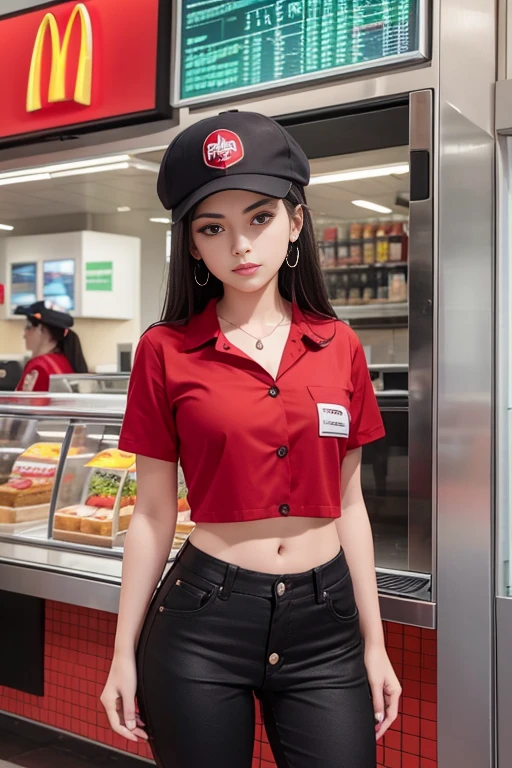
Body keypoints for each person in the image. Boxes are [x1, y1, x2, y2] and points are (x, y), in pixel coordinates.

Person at [100, 111, 401, 768]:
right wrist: (122, 654)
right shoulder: (165, 350)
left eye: (259, 218)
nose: (240, 245)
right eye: (214, 228)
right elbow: (152, 513)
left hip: (328, 625)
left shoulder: (339, 345)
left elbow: (351, 505)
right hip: (203, 622)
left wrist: (375, 646)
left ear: (296, 222)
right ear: (194, 246)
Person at [15, 301, 88, 391]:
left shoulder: (39, 367)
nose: (24, 334)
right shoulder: (64, 361)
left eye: (28, 326)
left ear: (42, 329)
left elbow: (23, 403)